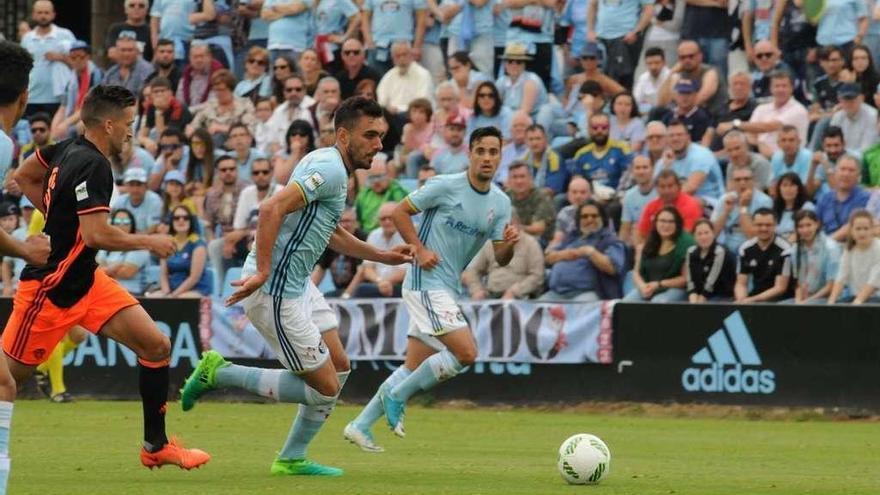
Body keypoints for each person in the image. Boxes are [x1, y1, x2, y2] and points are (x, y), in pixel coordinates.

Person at [180, 97, 414, 475]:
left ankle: (291, 458)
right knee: (325, 386)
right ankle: (218, 372)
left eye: (382, 136)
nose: (378, 144)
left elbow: (329, 231)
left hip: (298, 283)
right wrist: (264, 271)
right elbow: (272, 208)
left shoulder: (330, 165)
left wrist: (382, 256)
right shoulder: (330, 169)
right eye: (370, 135)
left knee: (339, 368)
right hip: (276, 290)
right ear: (343, 134)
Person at [10, 84, 209, 469]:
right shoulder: (94, 165)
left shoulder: (66, 147)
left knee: (156, 346)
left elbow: (25, 174)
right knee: (7, 379)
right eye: (129, 123)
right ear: (108, 125)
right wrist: (149, 241)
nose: (131, 131)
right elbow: (96, 234)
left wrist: (57, 217)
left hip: (86, 279)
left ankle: (156, 446)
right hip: (51, 288)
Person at [345, 125, 516, 450]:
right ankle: (399, 396)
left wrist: (509, 244)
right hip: (425, 282)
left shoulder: (501, 203)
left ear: (500, 156)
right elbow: (399, 212)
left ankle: (361, 425)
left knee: (412, 366)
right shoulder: (445, 185)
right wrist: (419, 250)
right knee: (465, 353)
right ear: (470, 153)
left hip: (447, 287)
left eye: (493, 152)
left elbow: (501, 258)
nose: (487, 158)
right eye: (481, 151)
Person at [543, 201, 625, 301]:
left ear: (602, 218)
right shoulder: (573, 236)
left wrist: (590, 252)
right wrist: (564, 254)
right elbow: (548, 258)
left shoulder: (610, 240)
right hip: (556, 292)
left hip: (586, 293)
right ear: (579, 220)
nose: (589, 219)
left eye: (594, 216)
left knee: (579, 312)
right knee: (535, 311)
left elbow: (613, 268)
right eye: (585, 216)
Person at [464, 213, 544, 300]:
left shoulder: (530, 244)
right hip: (491, 295)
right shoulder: (491, 243)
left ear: (518, 225)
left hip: (519, 297)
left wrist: (515, 291)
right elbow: (472, 271)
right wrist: (477, 290)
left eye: (510, 224)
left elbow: (537, 276)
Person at [625, 206, 693, 302]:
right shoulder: (647, 244)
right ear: (656, 223)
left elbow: (685, 279)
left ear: (678, 224)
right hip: (648, 287)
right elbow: (636, 273)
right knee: (626, 304)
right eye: (662, 221)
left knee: (657, 303)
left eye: (671, 222)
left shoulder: (686, 245)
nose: (666, 225)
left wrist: (659, 284)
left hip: (675, 289)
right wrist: (642, 286)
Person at [20, 0, 75, 118]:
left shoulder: (65, 35)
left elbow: (79, 64)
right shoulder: (27, 38)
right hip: (32, 97)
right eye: (39, 13)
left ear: (53, 14)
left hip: (59, 97)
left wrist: (60, 57)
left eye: (46, 12)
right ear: (34, 15)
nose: (43, 16)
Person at [656, 119, 723, 205]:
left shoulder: (701, 154)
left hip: (711, 205)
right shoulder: (663, 162)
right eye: (671, 136)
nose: (675, 138)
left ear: (688, 137)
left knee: (693, 202)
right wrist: (666, 168)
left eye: (679, 135)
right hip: (677, 204)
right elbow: (657, 191)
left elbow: (690, 189)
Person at [149, 206, 211, 298]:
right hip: (172, 289)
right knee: (152, 297)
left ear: (191, 221)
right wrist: (166, 293)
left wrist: (174, 295)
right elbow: (163, 274)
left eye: (185, 218)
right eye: (176, 218)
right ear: (172, 221)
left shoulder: (198, 244)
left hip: (195, 289)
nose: (181, 220)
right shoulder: (167, 242)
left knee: (181, 300)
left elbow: (194, 278)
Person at [734, 208, 792, 303]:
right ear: (753, 225)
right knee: (732, 316)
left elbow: (780, 288)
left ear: (775, 225)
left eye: (768, 225)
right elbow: (741, 283)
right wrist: (741, 300)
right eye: (759, 225)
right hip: (755, 298)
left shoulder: (785, 250)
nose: (763, 228)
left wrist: (751, 300)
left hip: (781, 300)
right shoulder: (745, 249)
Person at [712, 167, 774, 254]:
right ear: (732, 183)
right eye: (737, 180)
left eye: (746, 179)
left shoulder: (764, 201)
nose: (742, 183)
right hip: (727, 247)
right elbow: (713, 234)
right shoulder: (725, 199)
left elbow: (753, 236)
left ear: (753, 181)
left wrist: (743, 207)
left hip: (753, 248)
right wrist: (726, 212)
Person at [354, 203, 408, 297]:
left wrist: (387, 282)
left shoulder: (407, 234)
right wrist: (380, 281)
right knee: (361, 290)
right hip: (379, 283)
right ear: (379, 221)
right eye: (383, 219)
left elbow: (407, 270)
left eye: (390, 218)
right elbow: (367, 268)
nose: (387, 222)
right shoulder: (374, 235)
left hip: (402, 284)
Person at [311, 208, 366, 297]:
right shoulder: (330, 240)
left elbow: (362, 272)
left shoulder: (363, 239)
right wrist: (308, 293)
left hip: (360, 290)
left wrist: (346, 295)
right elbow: (320, 269)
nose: (344, 225)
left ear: (356, 224)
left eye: (348, 221)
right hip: (339, 290)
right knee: (323, 300)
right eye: (341, 222)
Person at [828, 209, 880, 304]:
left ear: (872, 230)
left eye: (866, 228)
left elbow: (874, 282)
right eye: (858, 229)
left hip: (876, 297)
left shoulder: (878, 248)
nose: (862, 232)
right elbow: (841, 276)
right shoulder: (849, 250)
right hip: (856, 297)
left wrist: (857, 302)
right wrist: (831, 301)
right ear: (851, 231)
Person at [97, 208, 153, 297]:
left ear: (132, 224)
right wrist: (113, 268)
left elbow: (127, 273)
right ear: (112, 224)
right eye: (118, 221)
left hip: (132, 294)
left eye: (126, 222)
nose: (121, 225)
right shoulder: (106, 246)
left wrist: (105, 269)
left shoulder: (139, 246)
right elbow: (95, 270)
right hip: (107, 292)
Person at [636, 169, 703, 243]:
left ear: (678, 186)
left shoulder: (690, 205)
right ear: (656, 189)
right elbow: (641, 235)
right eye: (662, 187)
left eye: (670, 186)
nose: (666, 191)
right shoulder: (651, 206)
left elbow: (685, 237)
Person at [571, 113, 632, 192]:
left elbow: (628, 176)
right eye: (595, 128)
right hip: (590, 199)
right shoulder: (581, 154)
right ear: (589, 129)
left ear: (609, 129)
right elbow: (577, 182)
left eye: (604, 127)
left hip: (616, 196)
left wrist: (616, 194)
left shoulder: (622, 149)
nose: (599, 131)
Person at [815, 155, 870, 242]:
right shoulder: (825, 198)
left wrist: (828, 244)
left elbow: (851, 226)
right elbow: (815, 225)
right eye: (842, 169)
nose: (846, 174)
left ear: (859, 176)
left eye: (851, 170)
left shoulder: (865, 198)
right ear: (835, 172)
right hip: (825, 246)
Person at [790, 210, 840, 304]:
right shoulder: (795, 249)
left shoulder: (831, 248)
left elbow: (830, 286)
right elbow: (798, 284)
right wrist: (798, 301)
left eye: (809, 225)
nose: (805, 230)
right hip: (806, 298)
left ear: (817, 224)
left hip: (827, 298)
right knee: (780, 309)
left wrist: (806, 302)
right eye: (800, 226)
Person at [376, 41, 434, 117]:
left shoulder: (423, 74)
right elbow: (382, 101)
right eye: (398, 56)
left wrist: (398, 109)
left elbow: (422, 102)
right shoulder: (389, 76)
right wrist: (388, 109)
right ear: (393, 58)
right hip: (391, 116)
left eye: (404, 54)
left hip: (414, 116)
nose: (402, 59)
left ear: (411, 55)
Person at [506, 161, 556, 246]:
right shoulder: (505, 197)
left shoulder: (541, 197)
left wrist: (515, 228)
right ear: (509, 180)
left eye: (522, 177)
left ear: (530, 178)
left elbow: (538, 229)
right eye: (514, 177)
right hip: (512, 237)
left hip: (539, 241)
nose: (519, 181)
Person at [355, 155, 409, 232]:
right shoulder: (364, 194)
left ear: (388, 175)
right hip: (366, 236)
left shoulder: (397, 191)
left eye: (380, 176)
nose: (376, 182)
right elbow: (357, 221)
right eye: (372, 178)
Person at [686, 219, 736, 303]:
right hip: (699, 294)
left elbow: (712, 281)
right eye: (699, 234)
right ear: (694, 236)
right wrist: (693, 297)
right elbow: (690, 280)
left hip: (721, 295)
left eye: (707, 233)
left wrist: (699, 302)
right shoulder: (690, 251)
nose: (703, 237)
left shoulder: (720, 252)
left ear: (713, 233)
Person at [111, 167, 164, 234]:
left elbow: (153, 228)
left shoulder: (154, 200)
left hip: (146, 240)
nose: (135, 189)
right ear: (126, 185)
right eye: (131, 185)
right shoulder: (120, 201)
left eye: (139, 184)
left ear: (146, 185)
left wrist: (132, 239)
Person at [829, 82, 878, 152]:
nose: (849, 103)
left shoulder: (872, 116)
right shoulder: (837, 117)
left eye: (852, 99)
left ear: (861, 98)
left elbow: (866, 150)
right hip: (841, 158)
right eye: (845, 99)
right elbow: (831, 143)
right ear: (839, 100)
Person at [619, 155, 657, 246]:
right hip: (637, 240)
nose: (641, 172)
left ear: (652, 169)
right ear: (632, 171)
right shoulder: (629, 196)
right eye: (637, 168)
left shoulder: (660, 192)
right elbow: (625, 227)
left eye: (645, 167)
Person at [547, 176, 592, 249]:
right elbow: (558, 238)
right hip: (568, 252)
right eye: (574, 192)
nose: (578, 196)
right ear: (568, 195)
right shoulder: (564, 213)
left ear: (590, 194)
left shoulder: (598, 213)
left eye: (583, 192)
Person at [522, 124, 568, 196]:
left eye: (538, 138)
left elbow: (550, 191)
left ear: (545, 140)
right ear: (526, 142)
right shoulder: (523, 159)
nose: (534, 143)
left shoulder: (555, 159)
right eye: (531, 139)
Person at [773, 172, 814, 242]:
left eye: (792, 185)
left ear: (799, 188)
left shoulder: (807, 207)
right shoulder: (774, 208)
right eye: (784, 185)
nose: (788, 189)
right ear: (779, 189)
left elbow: (803, 232)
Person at [633, 47, 672, 114]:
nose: (653, 67)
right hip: (648, 114)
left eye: (657, 63)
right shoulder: (643, 78)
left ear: (664, 63)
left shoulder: (671, 76)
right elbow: (636, 101)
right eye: (649, 63)